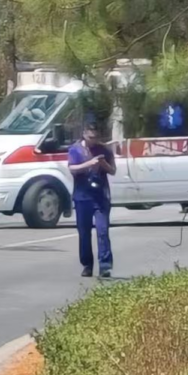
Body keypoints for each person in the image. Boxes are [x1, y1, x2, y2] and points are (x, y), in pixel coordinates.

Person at [68, 118, 115, 278]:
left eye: (95, 137)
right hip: (82, 197)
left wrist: (102, 164)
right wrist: (88, 164)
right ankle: (87, 265)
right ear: (84, 135)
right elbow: (72, 169)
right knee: (84, 233)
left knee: (102, 231)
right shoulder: (75, 150)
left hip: (101, 196)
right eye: (90, 138)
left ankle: (105, 265)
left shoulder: (105, 150)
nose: (93, 141)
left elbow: (112, 171)